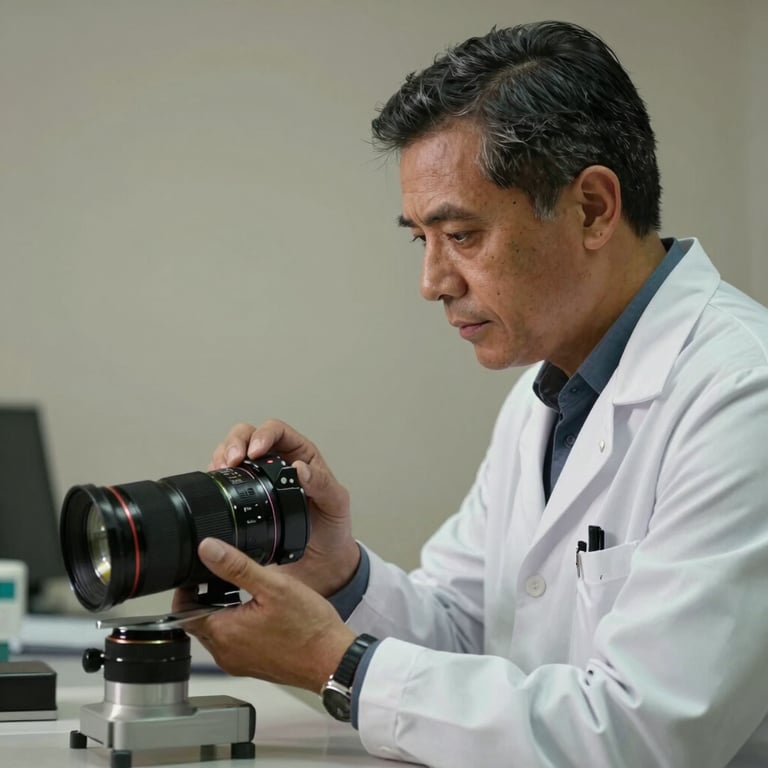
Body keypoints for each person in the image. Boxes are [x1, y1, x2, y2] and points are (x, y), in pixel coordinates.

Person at [176, 20, 768, 767]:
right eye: (419, 239)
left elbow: (642, 735)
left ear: (591, 207)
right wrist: (339, 572)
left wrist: (339, 665)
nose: (432, 283)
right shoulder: (544, 395)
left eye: (461, 236)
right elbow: (472, 633)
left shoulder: (745, 396)